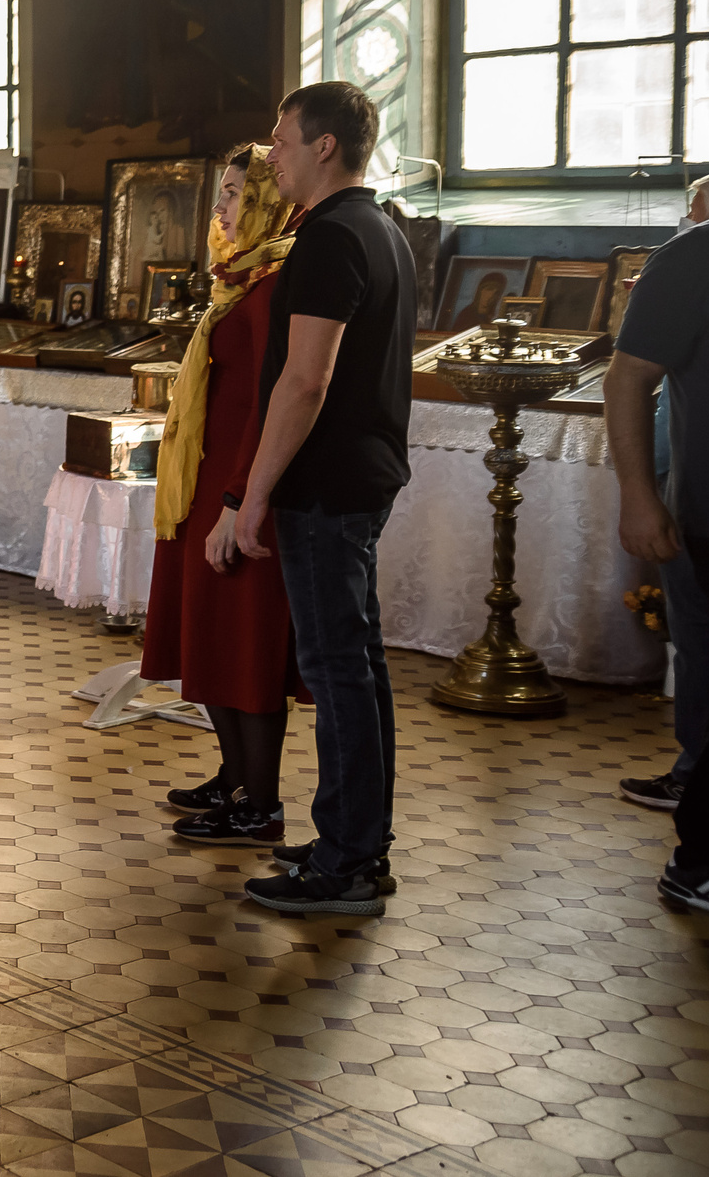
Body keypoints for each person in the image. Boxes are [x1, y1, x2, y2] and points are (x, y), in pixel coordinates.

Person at [231, 80, 416, 918]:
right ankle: (357, 841)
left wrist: (253, 496)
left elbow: (305, 382)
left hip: (328, 484)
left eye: (282, 139)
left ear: (325, 147)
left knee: (337, 669)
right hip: (362, 476)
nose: (272, 155)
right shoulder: (383, 230)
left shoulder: (330, 238)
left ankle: (344, 861)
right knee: (357, 665)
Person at [610, 115, 709, 932]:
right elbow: (629, 379)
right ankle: (702, 855)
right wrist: (641, 494)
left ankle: (703, 850)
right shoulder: (697, 256)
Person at [142, 146, 305, 845]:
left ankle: (260, 803)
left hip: (243, 486)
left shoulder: (274, 287)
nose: (221, 207)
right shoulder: (237, 280)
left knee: (246, 645)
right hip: (203, 484)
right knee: (207, 637)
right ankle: (234, 772)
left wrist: (242, 497)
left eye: (235, 193)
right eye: (222, 193)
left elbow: (274, 401)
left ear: (267, 200)